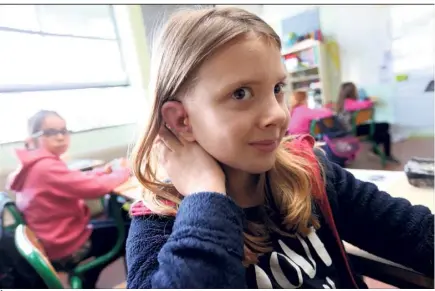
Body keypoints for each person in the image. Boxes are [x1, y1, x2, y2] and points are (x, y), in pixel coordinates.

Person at [125, 7, 434, 289]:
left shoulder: (309, 172)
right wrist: (206, 195)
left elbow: (416, 234)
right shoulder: (156, 223)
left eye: (277, 88)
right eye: (241, 93)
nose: (277, 114)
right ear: (181, 120)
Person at [6, 110, 131, 288]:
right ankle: (90, 276)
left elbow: (74, 178)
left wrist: (102, 172)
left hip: (51, 238)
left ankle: (88, 276)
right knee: (129, 230)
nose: (60, 137)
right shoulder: (45, 167)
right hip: (66, 246)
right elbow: (95, 189)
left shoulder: (33, 165)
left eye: (63, 131)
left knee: (113, 223)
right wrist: (124, 171)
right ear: (33, 138)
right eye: (50, 132)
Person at [336, 82, 399, 163]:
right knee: (385, 126)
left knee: (385, 134)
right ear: (352, 92)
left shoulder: (343, 102)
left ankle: (380, 152)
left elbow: (362, 105)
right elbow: (366, 104)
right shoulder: (348, 103)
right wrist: (369, 101)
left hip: (352, 128)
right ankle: (379, 151)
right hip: (350, 131)